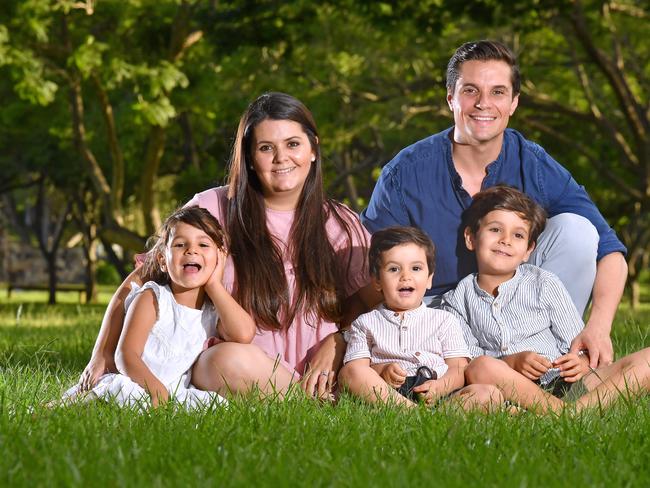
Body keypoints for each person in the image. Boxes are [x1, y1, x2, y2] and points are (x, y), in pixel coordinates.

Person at [78, 92, 379, 400]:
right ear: (249, 157)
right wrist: (102, 352)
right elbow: (139, 281)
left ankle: (315, 395)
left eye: (293, 144)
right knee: (224, 360)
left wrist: (340, 340)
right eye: (265, 148)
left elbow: (378, 304)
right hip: (242, 365)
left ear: (313, 148)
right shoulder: (212, 208)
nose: (281, 158)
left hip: (323, 367)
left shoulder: (341, 222)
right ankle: (304, 402)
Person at [361, 40, 628, 369]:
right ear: (450, 97)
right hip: (435, 312)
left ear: (514, 102)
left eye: (498, 92)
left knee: (578, 230)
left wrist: (598, 327)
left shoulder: (534, 164)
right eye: (471, 90)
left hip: (518, 309)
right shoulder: (404, 174)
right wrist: (347, 336)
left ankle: (554, 360)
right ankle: (472, 376)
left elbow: (609, 250)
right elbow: (370, 271)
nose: (483, 104)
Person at [443, 186, 650, 413]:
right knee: (481, 367)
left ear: (528, 250)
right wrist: (511, 362)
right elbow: (468, 363)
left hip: (565, 383)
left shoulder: (544, 283)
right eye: (495, 229)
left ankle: (566, 414)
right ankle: (569, 415)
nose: (506, 240)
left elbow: (576, 342)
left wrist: (579, 362)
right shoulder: (456, 301)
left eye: (518, 235)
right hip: (509, 388)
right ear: (471, 238)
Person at [62, 206, 254, 409]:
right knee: (118, 393)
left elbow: (243, 334)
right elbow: (125, 355)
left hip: (173, 391)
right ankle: (57, 408)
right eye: (180, 244)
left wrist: (215, 284)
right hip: (137, 383)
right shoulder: (153, 298)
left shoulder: (213, 310)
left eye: (203, 245)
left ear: (219, 257)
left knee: (214, 406)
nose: (192, 250)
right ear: (162, 260)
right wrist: (155, 390)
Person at [339, 226, 501, 410]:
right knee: (349, 372)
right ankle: (408, 412)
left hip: (436, 392)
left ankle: (437, 416)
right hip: (389, 394)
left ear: (429, 279)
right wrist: (381, 370)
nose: (405, 276)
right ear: (377, 281)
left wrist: (441, 386)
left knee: (489, 393)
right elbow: (357, 369)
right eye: (394, 269)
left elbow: (458, 368)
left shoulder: (443, 320)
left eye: (416, 268)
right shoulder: (365, 323)